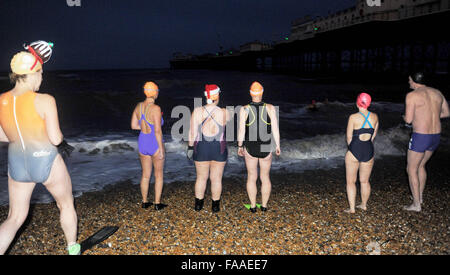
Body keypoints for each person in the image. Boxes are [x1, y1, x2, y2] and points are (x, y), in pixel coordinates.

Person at [0, 42, 80, 255]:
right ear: (32, 74)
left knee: (14, 218)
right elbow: (55, 139)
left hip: (17, 163)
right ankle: (73, 248)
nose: (42, 78)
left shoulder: (1, 100)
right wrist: (61, 137)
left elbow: (2, 135)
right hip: (46, 160)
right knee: (66, 205)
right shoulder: (45, 100)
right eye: (41, 73)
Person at [403, 72, 449, 212]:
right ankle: (420, 197)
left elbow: (409, 120)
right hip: (435, 136)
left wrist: (405, 117)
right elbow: (447, 113)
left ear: (414, 81)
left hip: (421, 136)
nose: (408, 82)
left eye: (409, 79)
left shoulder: (412, 95)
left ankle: (416, 205)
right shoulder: (437, 92)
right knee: (421, 165)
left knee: (411, 169)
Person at [237, 82, 281, 213]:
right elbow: (275, 130)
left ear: (250, 93)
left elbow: (241, 131)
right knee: (265, 177)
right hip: (266, 147)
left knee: (251, 176)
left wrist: (240, 146)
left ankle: (252, 206)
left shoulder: (244, 109)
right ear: (262, 93)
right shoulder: (270, 108)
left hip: (250, 147)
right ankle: (264, 205)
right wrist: (277, 145)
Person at [187, 84, 231, 212]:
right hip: (219, 148)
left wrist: (190, 147)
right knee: (216, 179)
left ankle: (198, 205)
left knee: (201, 177)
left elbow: (192, 132)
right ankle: (215, 206)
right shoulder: (224, 112)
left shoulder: (197, 111)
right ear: (216, 95)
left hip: (201, 147)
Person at [131, 82, 166, 210]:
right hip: (154, 142)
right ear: (155, 92)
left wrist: (145, 128)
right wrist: (161, 149)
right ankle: (157, 203)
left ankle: (145, 202)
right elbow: (157, 130)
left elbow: (134, 126)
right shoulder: (156, 108)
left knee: (145, 175)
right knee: (158, 175)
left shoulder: (138, 106)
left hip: (142, 141)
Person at [344, 93, 379, 214]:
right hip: (368, 149)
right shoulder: (375, 117)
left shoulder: (353, 117)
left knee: (351, 181)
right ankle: (363, 205)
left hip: (355, 149)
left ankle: (352, 208)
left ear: (357, 102)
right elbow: (373, 137)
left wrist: (353, 149)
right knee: (364, 181)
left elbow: (348, 137)